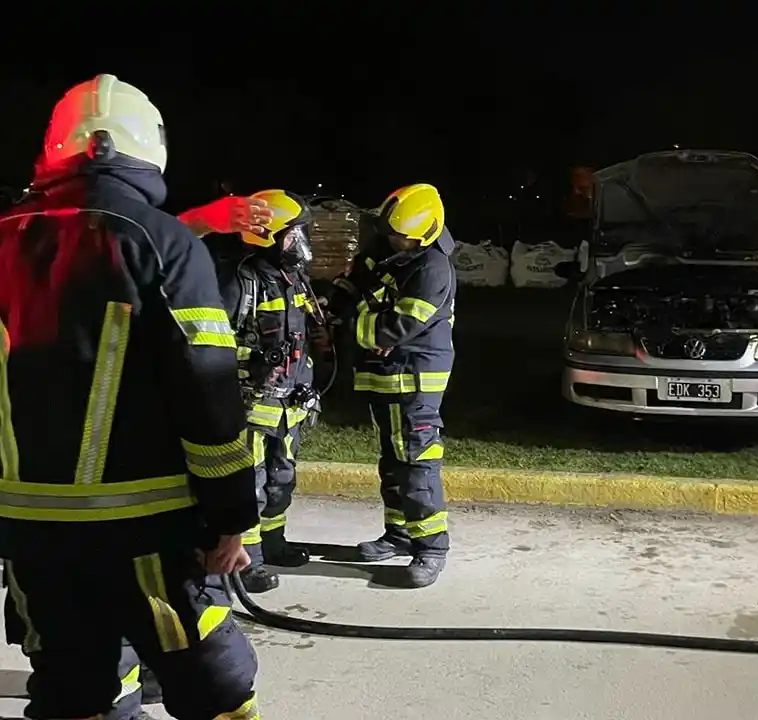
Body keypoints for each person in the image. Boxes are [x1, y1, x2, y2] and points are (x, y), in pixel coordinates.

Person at [0, 73, 262, 719]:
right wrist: (230, 516)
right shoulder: (161, 241)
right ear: (150, 148)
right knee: (214, 683)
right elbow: (207, 392)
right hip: (147, 534)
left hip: (30, 538)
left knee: (72, 688)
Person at [326, 183, 456, 588]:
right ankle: (399, 534)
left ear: (424, 234)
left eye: (400, 236)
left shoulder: (432, 269)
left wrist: (351, 325)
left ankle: (431, 547)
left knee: (416, 462)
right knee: (393, 461)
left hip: (413, 378)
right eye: (390, 233)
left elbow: (394, 327)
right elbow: (355, 283)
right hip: (387, 374)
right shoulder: (389, 248)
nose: (392, 240)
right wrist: (334, 306)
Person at [205, 189, 322, 594]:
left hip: (289, 403)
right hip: (252, 405)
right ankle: (247, 561)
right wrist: (251, 361)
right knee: (250, 483)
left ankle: (274, 542)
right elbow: (216, 342)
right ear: (266, 236)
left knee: (281, 478)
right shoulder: (240, 280)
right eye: (293, 235)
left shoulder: (291, 278)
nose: (300, 242)